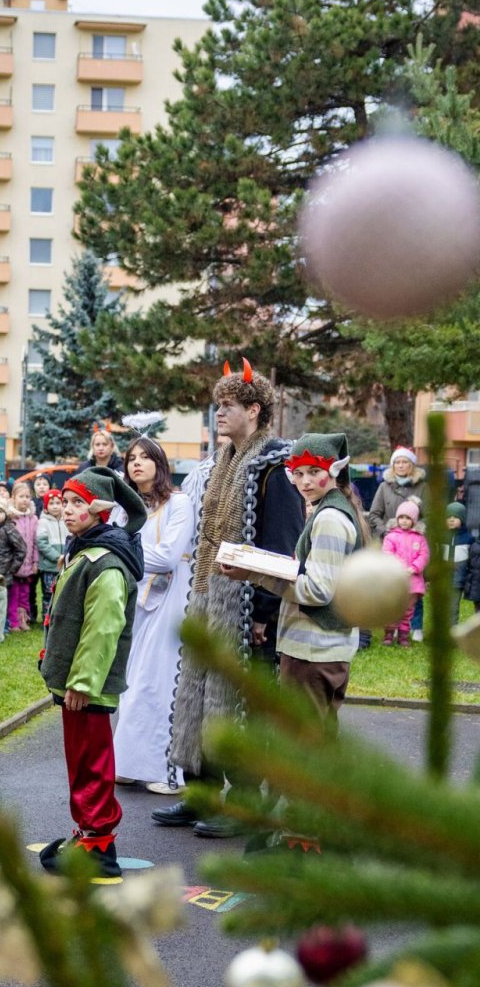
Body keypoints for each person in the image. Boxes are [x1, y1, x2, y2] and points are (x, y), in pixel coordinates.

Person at [153, 359, 305, 838]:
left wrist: (262, 613)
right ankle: (200, 793)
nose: (218, 413)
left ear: (254, 410)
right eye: (217, 405)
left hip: (244, 609)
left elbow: (280, 547)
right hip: (208, 596)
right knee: (198, 696)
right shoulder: (221, 462)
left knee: (239, 707)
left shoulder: (273, 466)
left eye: (229, 405)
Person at [37, 467, 146, 878]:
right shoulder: (85, 551)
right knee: (80, 761)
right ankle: (88, 835)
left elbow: (102, 629)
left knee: (92, 763)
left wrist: (83, 682)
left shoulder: (106, 563)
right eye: (64, 502)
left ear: (99, 510)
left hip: (89, 687)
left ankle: (99, 847)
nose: (66, 509)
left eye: (76, 503)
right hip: (78, 684)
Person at [221, 433, 368, 729]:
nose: (305, 482)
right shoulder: (333, 510)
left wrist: (255, 574)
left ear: (334, 471)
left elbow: (317, 590)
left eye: (314, 471)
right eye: (298, 474)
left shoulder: (329, 519)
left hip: (313, 652)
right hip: (324, 650)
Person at [113, 438, 195, 788]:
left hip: (170, 600)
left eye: (145, 457)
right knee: (131, 683)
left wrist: (124, 550)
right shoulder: (123, 509)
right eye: (131, 458)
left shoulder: (179, 503)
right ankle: (130, 763)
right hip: (134, 600)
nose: (137, 463)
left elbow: (168, 556)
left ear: (159, 464)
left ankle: (165, 771)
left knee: (158, 683)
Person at [382, 501, 429, 646]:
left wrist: (414, 568)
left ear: (414, 520)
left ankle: (403, 635)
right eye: (401, 517)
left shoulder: (419, 538)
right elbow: (387, 553)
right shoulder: (391, 536)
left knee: (408, 610)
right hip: (395, 580)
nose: (404, 521)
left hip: (412, 582)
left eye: (408, 518)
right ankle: (389, 633)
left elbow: (424, 555)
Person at [368, 446, 426, 539]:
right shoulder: (384, 487)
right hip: (389, 541)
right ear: (393, 465)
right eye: (397, 462)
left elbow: (429, 516)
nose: (400, 466)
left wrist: (415, 531)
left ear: (411, 464)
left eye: (405, 462)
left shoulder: (422, 487)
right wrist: (385, 531)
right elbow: (374, 515)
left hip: (414, 541)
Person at [8, 480, 39, 631]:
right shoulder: (10, 517)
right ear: (13, 498)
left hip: (27, 565)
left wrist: (35, 562)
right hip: (14, 565)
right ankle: (13, 621)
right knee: (13, 594)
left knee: (24, 594)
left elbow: (35, 543)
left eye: (27, 497)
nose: (25, 500)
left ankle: (22, 619)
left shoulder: (33, 519)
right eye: (21, 496)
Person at [36, 488, 67, 615]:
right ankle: (47, 617)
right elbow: (42, 543)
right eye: (51, 503)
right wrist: (57, 557)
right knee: (49, 594)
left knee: (63, 593)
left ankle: (59, 618)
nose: (55, 506)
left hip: (65, 565)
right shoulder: (43, 522)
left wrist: (66, 556)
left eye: (58, 503)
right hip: (50, 566)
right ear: (46, 507)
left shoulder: (67, 520)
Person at [443, 501, 474, 626]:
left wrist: (468, 579)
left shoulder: (468, 538)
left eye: (455, 517)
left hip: (458, 579)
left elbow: (471, 561)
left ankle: (452, 629)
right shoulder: (441, 537)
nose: (451, 520)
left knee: (453, 607)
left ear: (462, 519)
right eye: (449, 517)